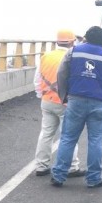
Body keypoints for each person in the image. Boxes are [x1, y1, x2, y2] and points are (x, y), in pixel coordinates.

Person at [50, 26, 102, 188]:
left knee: (68, 138)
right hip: (99, 102)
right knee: (95, 141)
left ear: (86, 37)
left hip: (76, 100)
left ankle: (58, 176)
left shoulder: (73, 52)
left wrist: (64, 94)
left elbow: (61, 74)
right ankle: (93, 179)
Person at [32, 29, 85, 177]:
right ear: (71, 41)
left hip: (46, 101)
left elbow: (37, 79)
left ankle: (41, 166)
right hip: (65, 103)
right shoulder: (72, 56)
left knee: (46, 134)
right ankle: (72, 167)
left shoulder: (46, 56)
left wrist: (41, 95)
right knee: (68, 136)